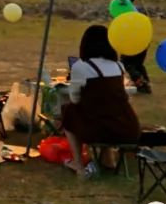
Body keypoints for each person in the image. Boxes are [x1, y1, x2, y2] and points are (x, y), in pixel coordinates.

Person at [60, 25, 141, 179]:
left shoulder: (81, 67)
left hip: (99, 129)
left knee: (69, 111)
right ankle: (108, 158)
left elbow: (74, 98)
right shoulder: (119, 66)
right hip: (128, 128)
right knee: (108, 113)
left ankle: (78, 165)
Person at [116, 0, 151, 94]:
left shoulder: (127, 12)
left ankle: (142, 84)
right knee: (138, 64)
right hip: (144, 40)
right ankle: (146, 84)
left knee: (126, 63)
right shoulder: (135, 9)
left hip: (135, 42)